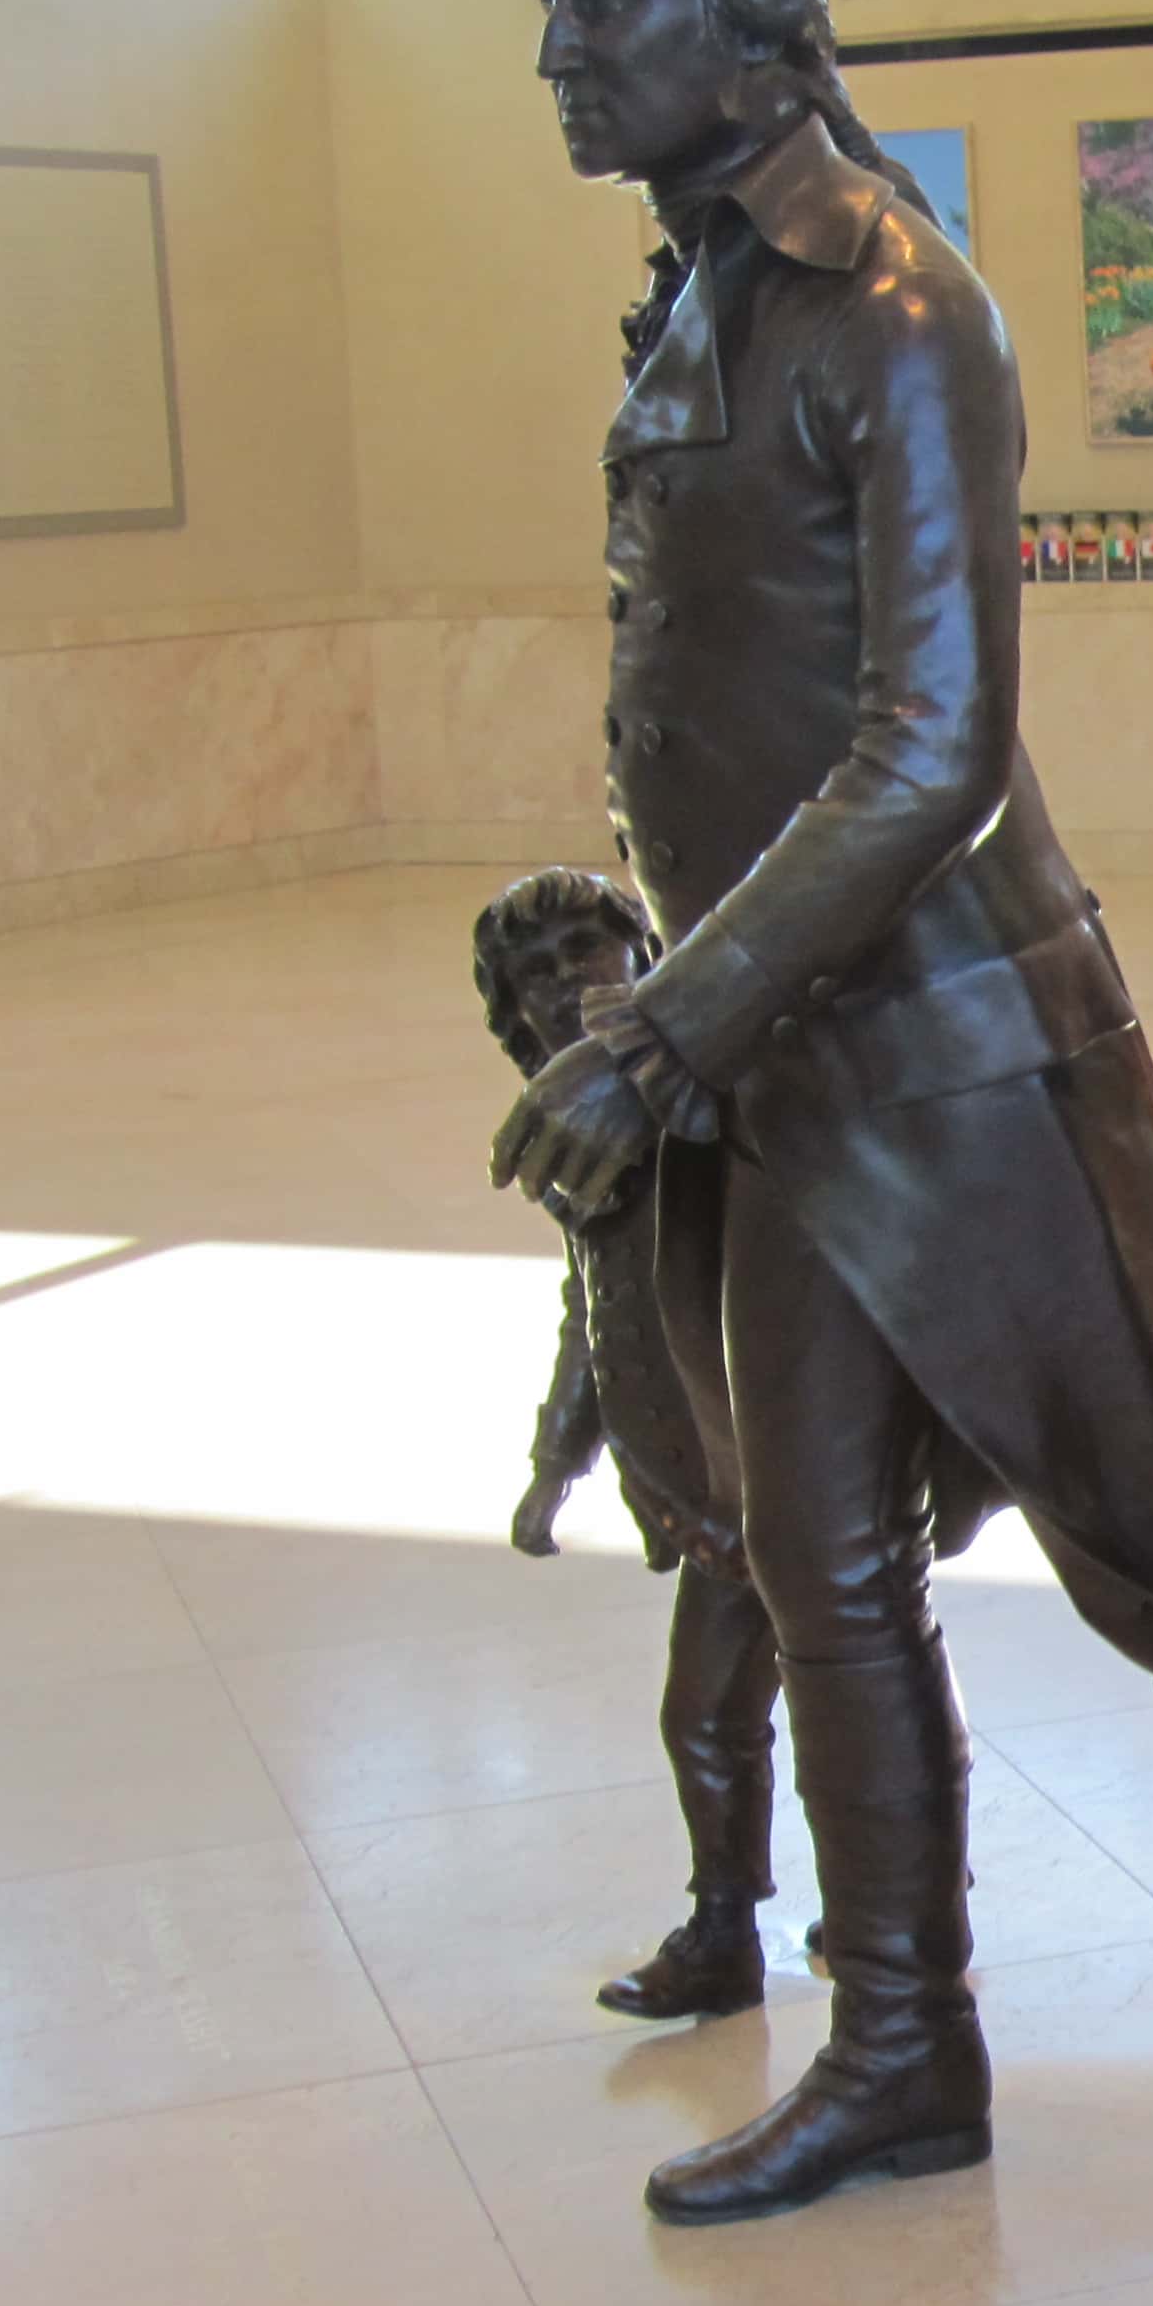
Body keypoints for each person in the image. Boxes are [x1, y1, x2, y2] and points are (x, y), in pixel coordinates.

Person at [493, 0, 1153, 2224]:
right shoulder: (698, 295)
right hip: (784, 1054)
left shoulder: (893, 313)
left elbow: (931, 748)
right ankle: (907, 2040)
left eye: (601, 6)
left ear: (749, 20)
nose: (558, 51)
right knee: (807, 1548)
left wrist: (670, 1019)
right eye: (545, 6)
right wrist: (702, 1020)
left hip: (951, 1046)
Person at [475, 867, 788, 2024]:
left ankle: (736, 1929)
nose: (563, 992)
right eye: (534, 979)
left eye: (585, 958)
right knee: (782, 1700)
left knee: (720, 1712)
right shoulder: (584, 1147)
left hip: (769, 1483)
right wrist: (555, 1464)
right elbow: (592, 1315)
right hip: (705, 1509)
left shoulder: (699, 1120)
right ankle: (831, 1910)